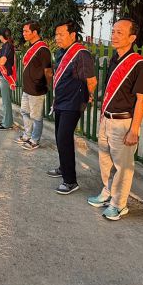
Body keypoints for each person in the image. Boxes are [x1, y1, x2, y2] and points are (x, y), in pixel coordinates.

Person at [87, 19, 143, 221]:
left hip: (124, 123)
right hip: (107, 119)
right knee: (105, 160)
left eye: (120, 32)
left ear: (132, 38)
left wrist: (134, 130)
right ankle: (107, 192)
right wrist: (103, 114)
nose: (114, 35)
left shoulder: (139, 65)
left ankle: (119, 204)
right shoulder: (114, 58)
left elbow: (141, 100)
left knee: (123, 166)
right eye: (113, 31)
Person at [46, 20, 97, 195]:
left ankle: (70, 181)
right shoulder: (61, 53)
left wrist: (87, 95)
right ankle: (63, 167)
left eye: (61, 34)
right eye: (56, 34)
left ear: (72, 35)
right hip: (61, 101)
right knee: (59, 138)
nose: (57, 38)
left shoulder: (81, 54)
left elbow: (91, 81)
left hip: (73, 103)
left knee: (64, 138)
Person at [17, 21, 53, 150]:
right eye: (23, 31)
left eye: (26, 31)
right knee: (25, 112)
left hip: (37, 88)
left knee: (36, 116)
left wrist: (46, 86)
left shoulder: (43, 49)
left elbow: (48, 71)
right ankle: (27, 135)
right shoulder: (31, 47)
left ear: (35, 32)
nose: (24, 34)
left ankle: (35, 139)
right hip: (27, 88)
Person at [0, 29, 16, 130]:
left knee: (6, 101)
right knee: (5, 101)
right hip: (4, 75)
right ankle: (6, 121)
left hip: (6, 76)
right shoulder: (7, 45)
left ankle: (7, 123)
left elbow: (2, 62)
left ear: (1, 36)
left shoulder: (7, 46)